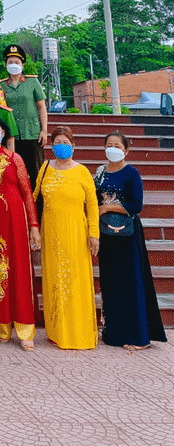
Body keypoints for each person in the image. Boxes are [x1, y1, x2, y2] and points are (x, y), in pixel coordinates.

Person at [94, 131, 166, 350]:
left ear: (126, 150)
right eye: (109, 144)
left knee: (132, 281)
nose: (112, 148)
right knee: (110, 282)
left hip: (128, 235)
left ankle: (139, 337)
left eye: (117, 145)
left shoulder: (132, 173)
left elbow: (136, 205)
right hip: (106, 235)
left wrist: (107, 207)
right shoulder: (100, 173)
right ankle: (113, 333)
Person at [0, 112, 40, 349]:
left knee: (20, 272)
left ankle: (25, 329)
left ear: (3, 133)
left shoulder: (15, 159)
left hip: (16, 221)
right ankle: (1, 326)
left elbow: (27, 194)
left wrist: (34, 226)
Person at [34, 126, 99, 350]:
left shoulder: (82, 172)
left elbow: (92, 205)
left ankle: (78, 332)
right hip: (51, 234)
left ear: (73, 145)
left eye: (65, 142)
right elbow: (34, 199)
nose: (61, 146)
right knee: (54, 281)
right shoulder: (45, 168)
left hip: (76, 234)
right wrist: (33, 228)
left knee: (75, 282)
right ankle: (57, 331)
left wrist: (94, 235)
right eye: (57, 142)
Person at [0, 44, 48, 192]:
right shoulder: (1, 86)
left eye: (17, 62)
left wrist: (44, 130)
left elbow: (41, 107)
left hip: (32, 133)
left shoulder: (32, 82)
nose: (13, 65)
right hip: (11, 135)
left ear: (22, 64)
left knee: (36, 173)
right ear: (6, 64)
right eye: (10, 62)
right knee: (13, 172)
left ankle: (38, 209)